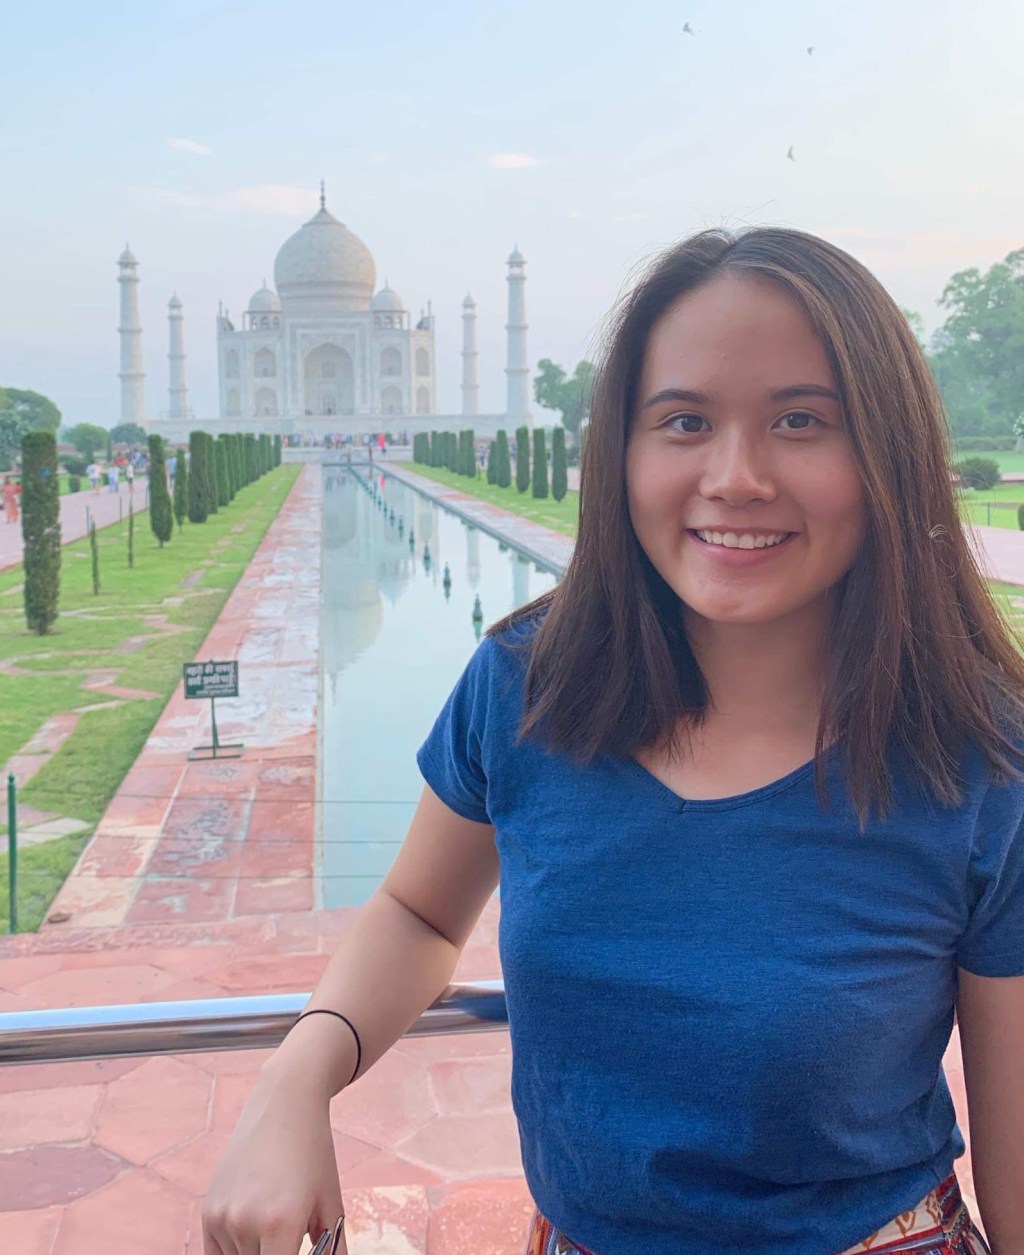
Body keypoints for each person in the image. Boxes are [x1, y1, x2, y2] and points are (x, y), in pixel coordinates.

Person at [203, 228, 1024, 1255]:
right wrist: (296, 1072)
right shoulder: (529, 691)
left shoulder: (976, 760)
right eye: (683, 420)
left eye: (800, 420)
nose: (734, 476)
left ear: (885, 452)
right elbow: (419, 909)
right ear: (621, 451)